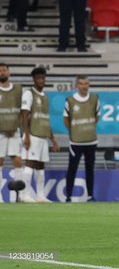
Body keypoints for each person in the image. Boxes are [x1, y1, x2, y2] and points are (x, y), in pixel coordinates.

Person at [21, 67, 60, 202]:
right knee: (30, 164)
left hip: (43, 135)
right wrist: (26, 136)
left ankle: (40, 196)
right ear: (34, 79)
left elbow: (45, 118)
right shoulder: (29, 93)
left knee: (40, 166)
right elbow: (24, 115)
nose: (41, 80)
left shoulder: (45, 96)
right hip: (32, 134)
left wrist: (53, 139)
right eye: (39, 78)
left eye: (43, 78)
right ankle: (25, 195)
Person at [63, 75, 100, 202]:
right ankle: (68, 196)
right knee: (72, 168)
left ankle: (90, 196)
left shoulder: (95, 99)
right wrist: (75, 132)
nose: (84, 86)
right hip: (76, 142)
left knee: (90, 169)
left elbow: (96, 117)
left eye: (86, 83)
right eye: (81, 84)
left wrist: (87, 128)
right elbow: (65, 120)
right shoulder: (70, 100)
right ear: (76, 85)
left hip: (91, 141)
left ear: (88, 84)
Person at [0, 62, 29, 202]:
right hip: (0, 133)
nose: (2, 73)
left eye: (4, 70)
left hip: (14, 132)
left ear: (9, 72)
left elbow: (23, 111)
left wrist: (14, 126)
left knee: (18, 160)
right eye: (0, 71)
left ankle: (21, 195)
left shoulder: (18, 89)